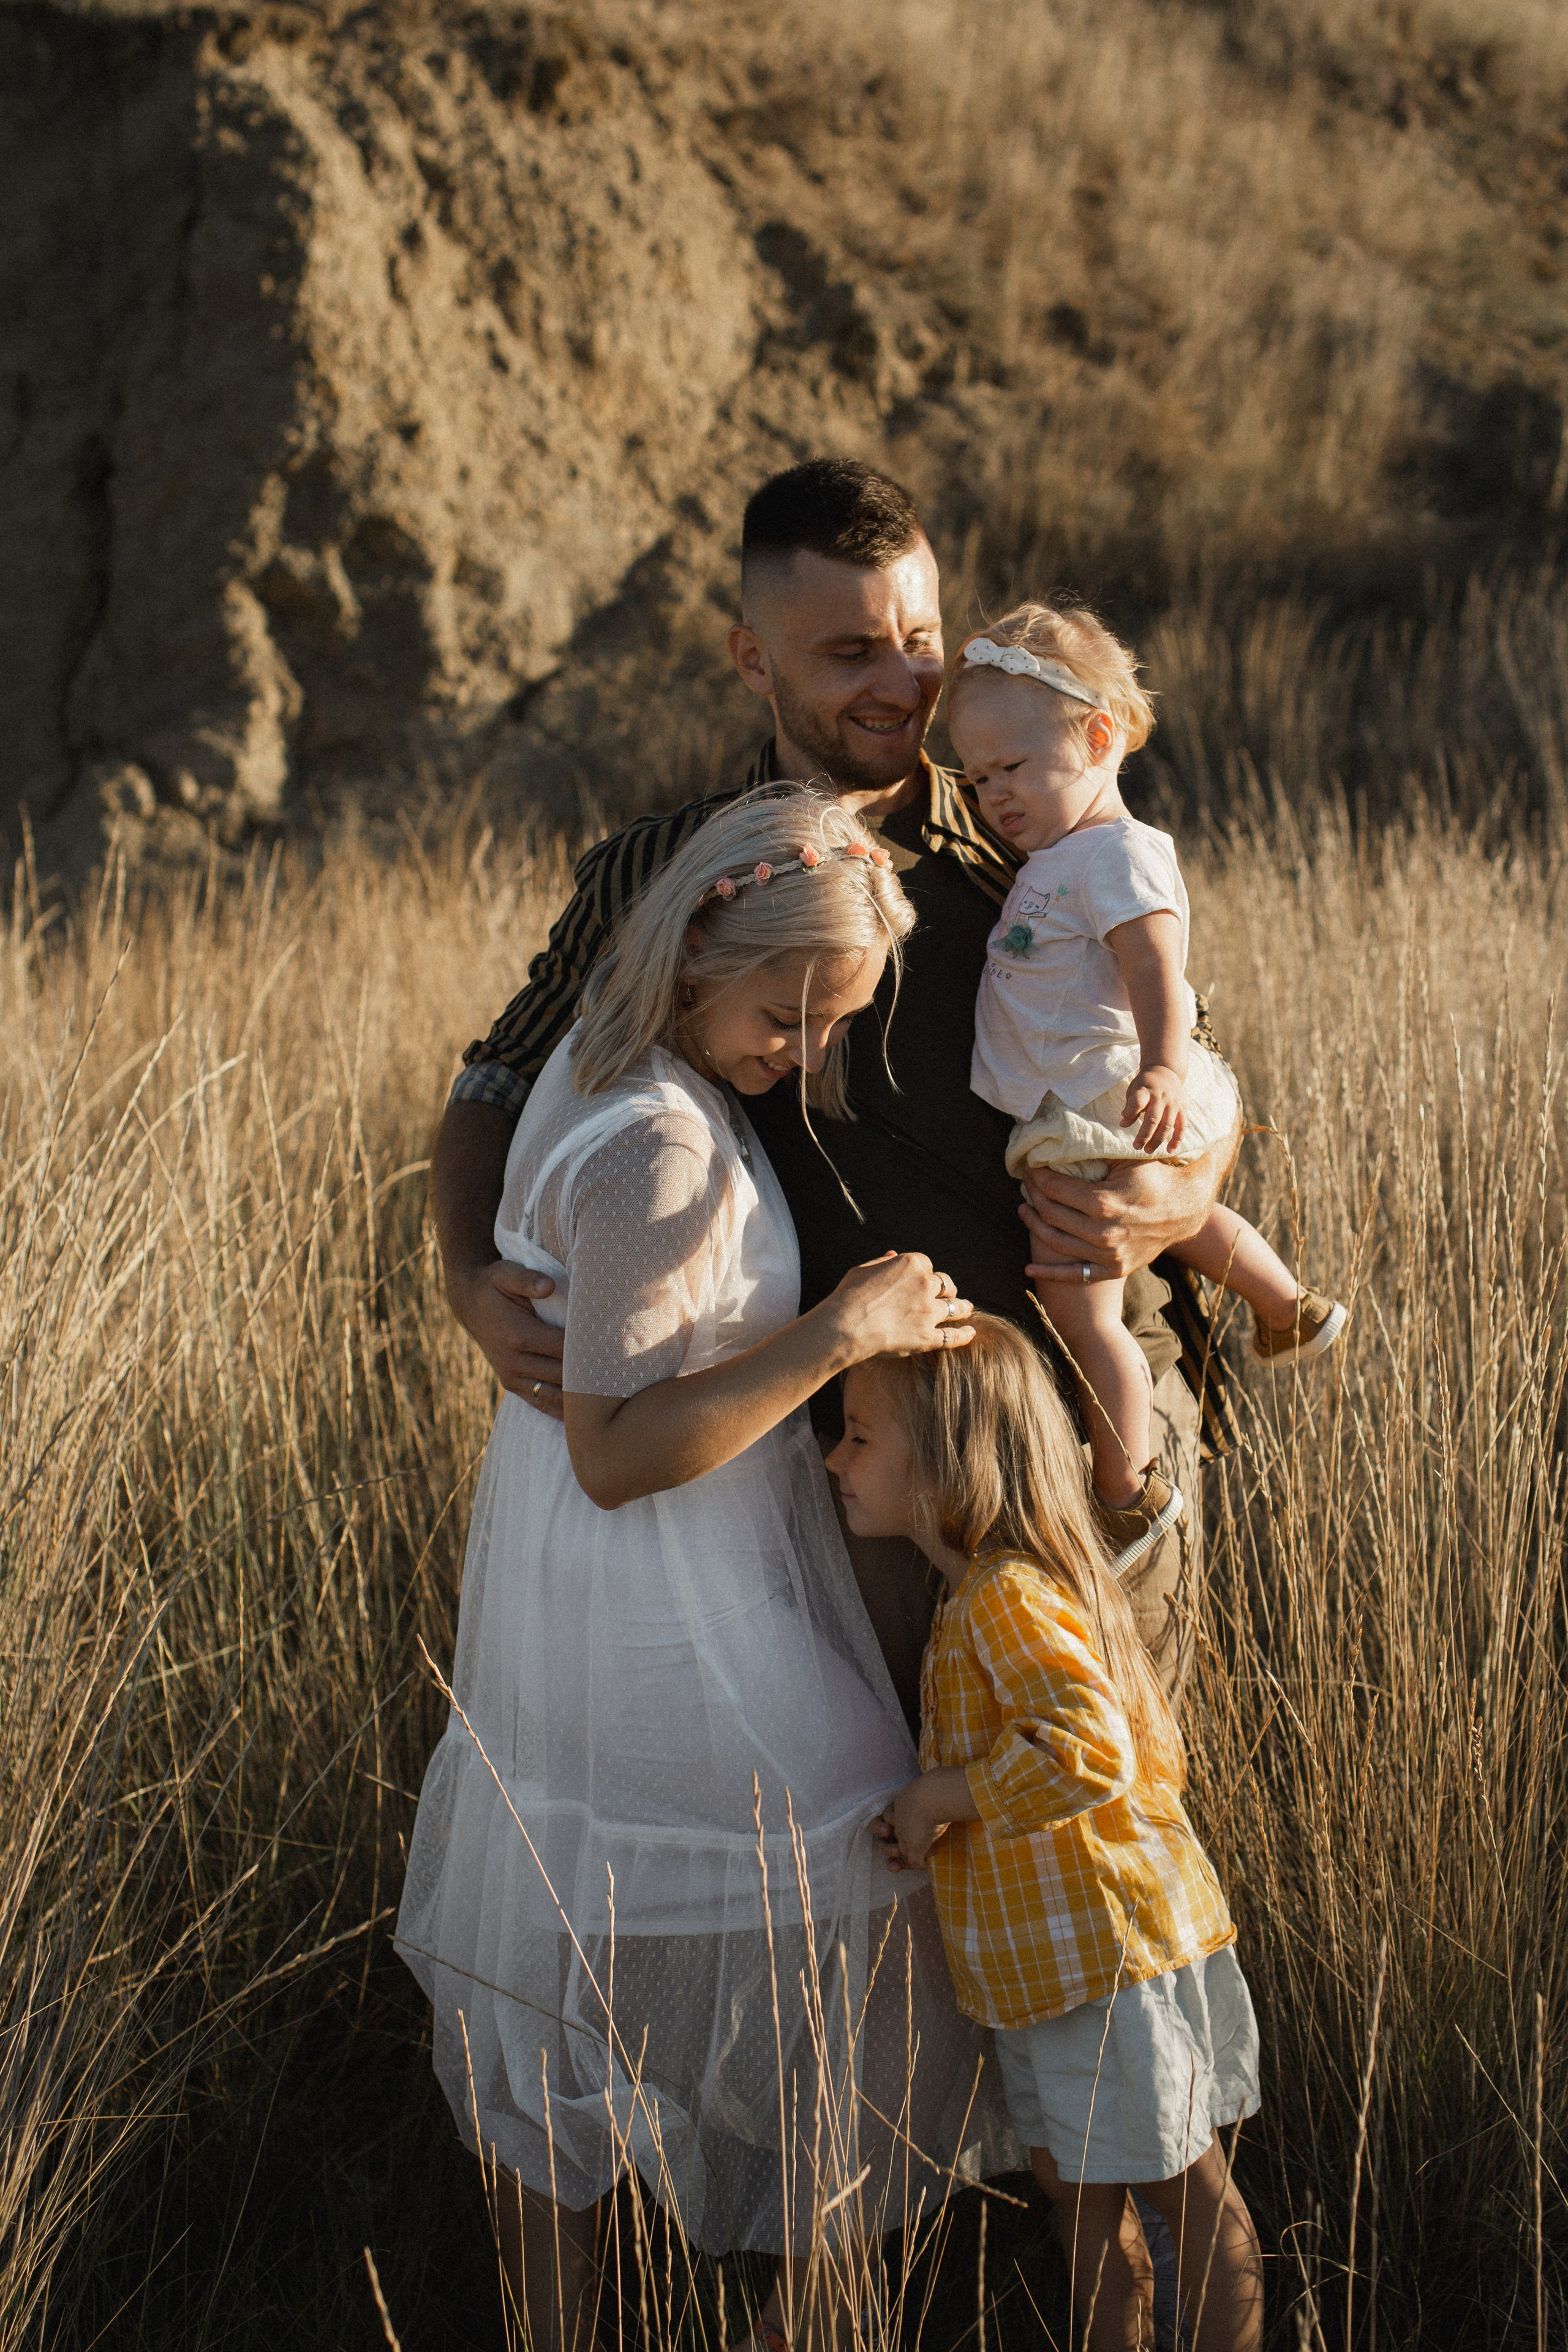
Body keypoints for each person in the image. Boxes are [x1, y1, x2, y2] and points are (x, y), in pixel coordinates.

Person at [433, 459, 1238, 1716]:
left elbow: (1190, 1048)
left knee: (1106, 1838)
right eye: (849, 652)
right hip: (868, 1473)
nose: (902, 683)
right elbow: (498, 1074)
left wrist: (1183, 1179)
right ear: (752, 661)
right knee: (903, 1864)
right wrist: (466, 1280)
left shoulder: (1028, 821)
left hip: (1090, 1419)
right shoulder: (670, 871)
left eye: (918, 640)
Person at [396, 789, 1013, 2352]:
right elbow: (612, 1453)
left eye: (832, 1026)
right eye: (788, 1016)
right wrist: (841, 1336)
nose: (803, 1054)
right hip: (669, 1627)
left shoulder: (620, 1075)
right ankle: (822, 2321)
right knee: (870, 1898)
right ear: (692, 956)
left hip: (599, 1638)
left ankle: (579, 2326)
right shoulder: (653, 1149)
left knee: (565, 1997)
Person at [826, 1319, 1264, 2352]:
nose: (833, 1458)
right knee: (1084, 2204)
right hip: (1050, 1974)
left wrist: (941, 1798)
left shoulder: (1006, 1597)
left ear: (942, 1465)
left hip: (1103, 1963)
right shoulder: (975, 1598)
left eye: (856, 1436)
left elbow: (1087, 1746)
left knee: (1184, 2187)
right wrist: (938, 1817)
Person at [947, 605, 1347, 1556]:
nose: (991, 795)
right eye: (975, 777)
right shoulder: (1056, 856)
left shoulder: (1118, 852)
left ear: (1098, 736)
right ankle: (1287, 1307)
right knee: (1188, 1227)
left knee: (1082, 1310)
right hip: (1083, 1108)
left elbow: (1157, 975)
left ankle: (1129, 1486)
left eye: (1012, 770)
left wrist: (1168, 1065)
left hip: (1092, 1112)